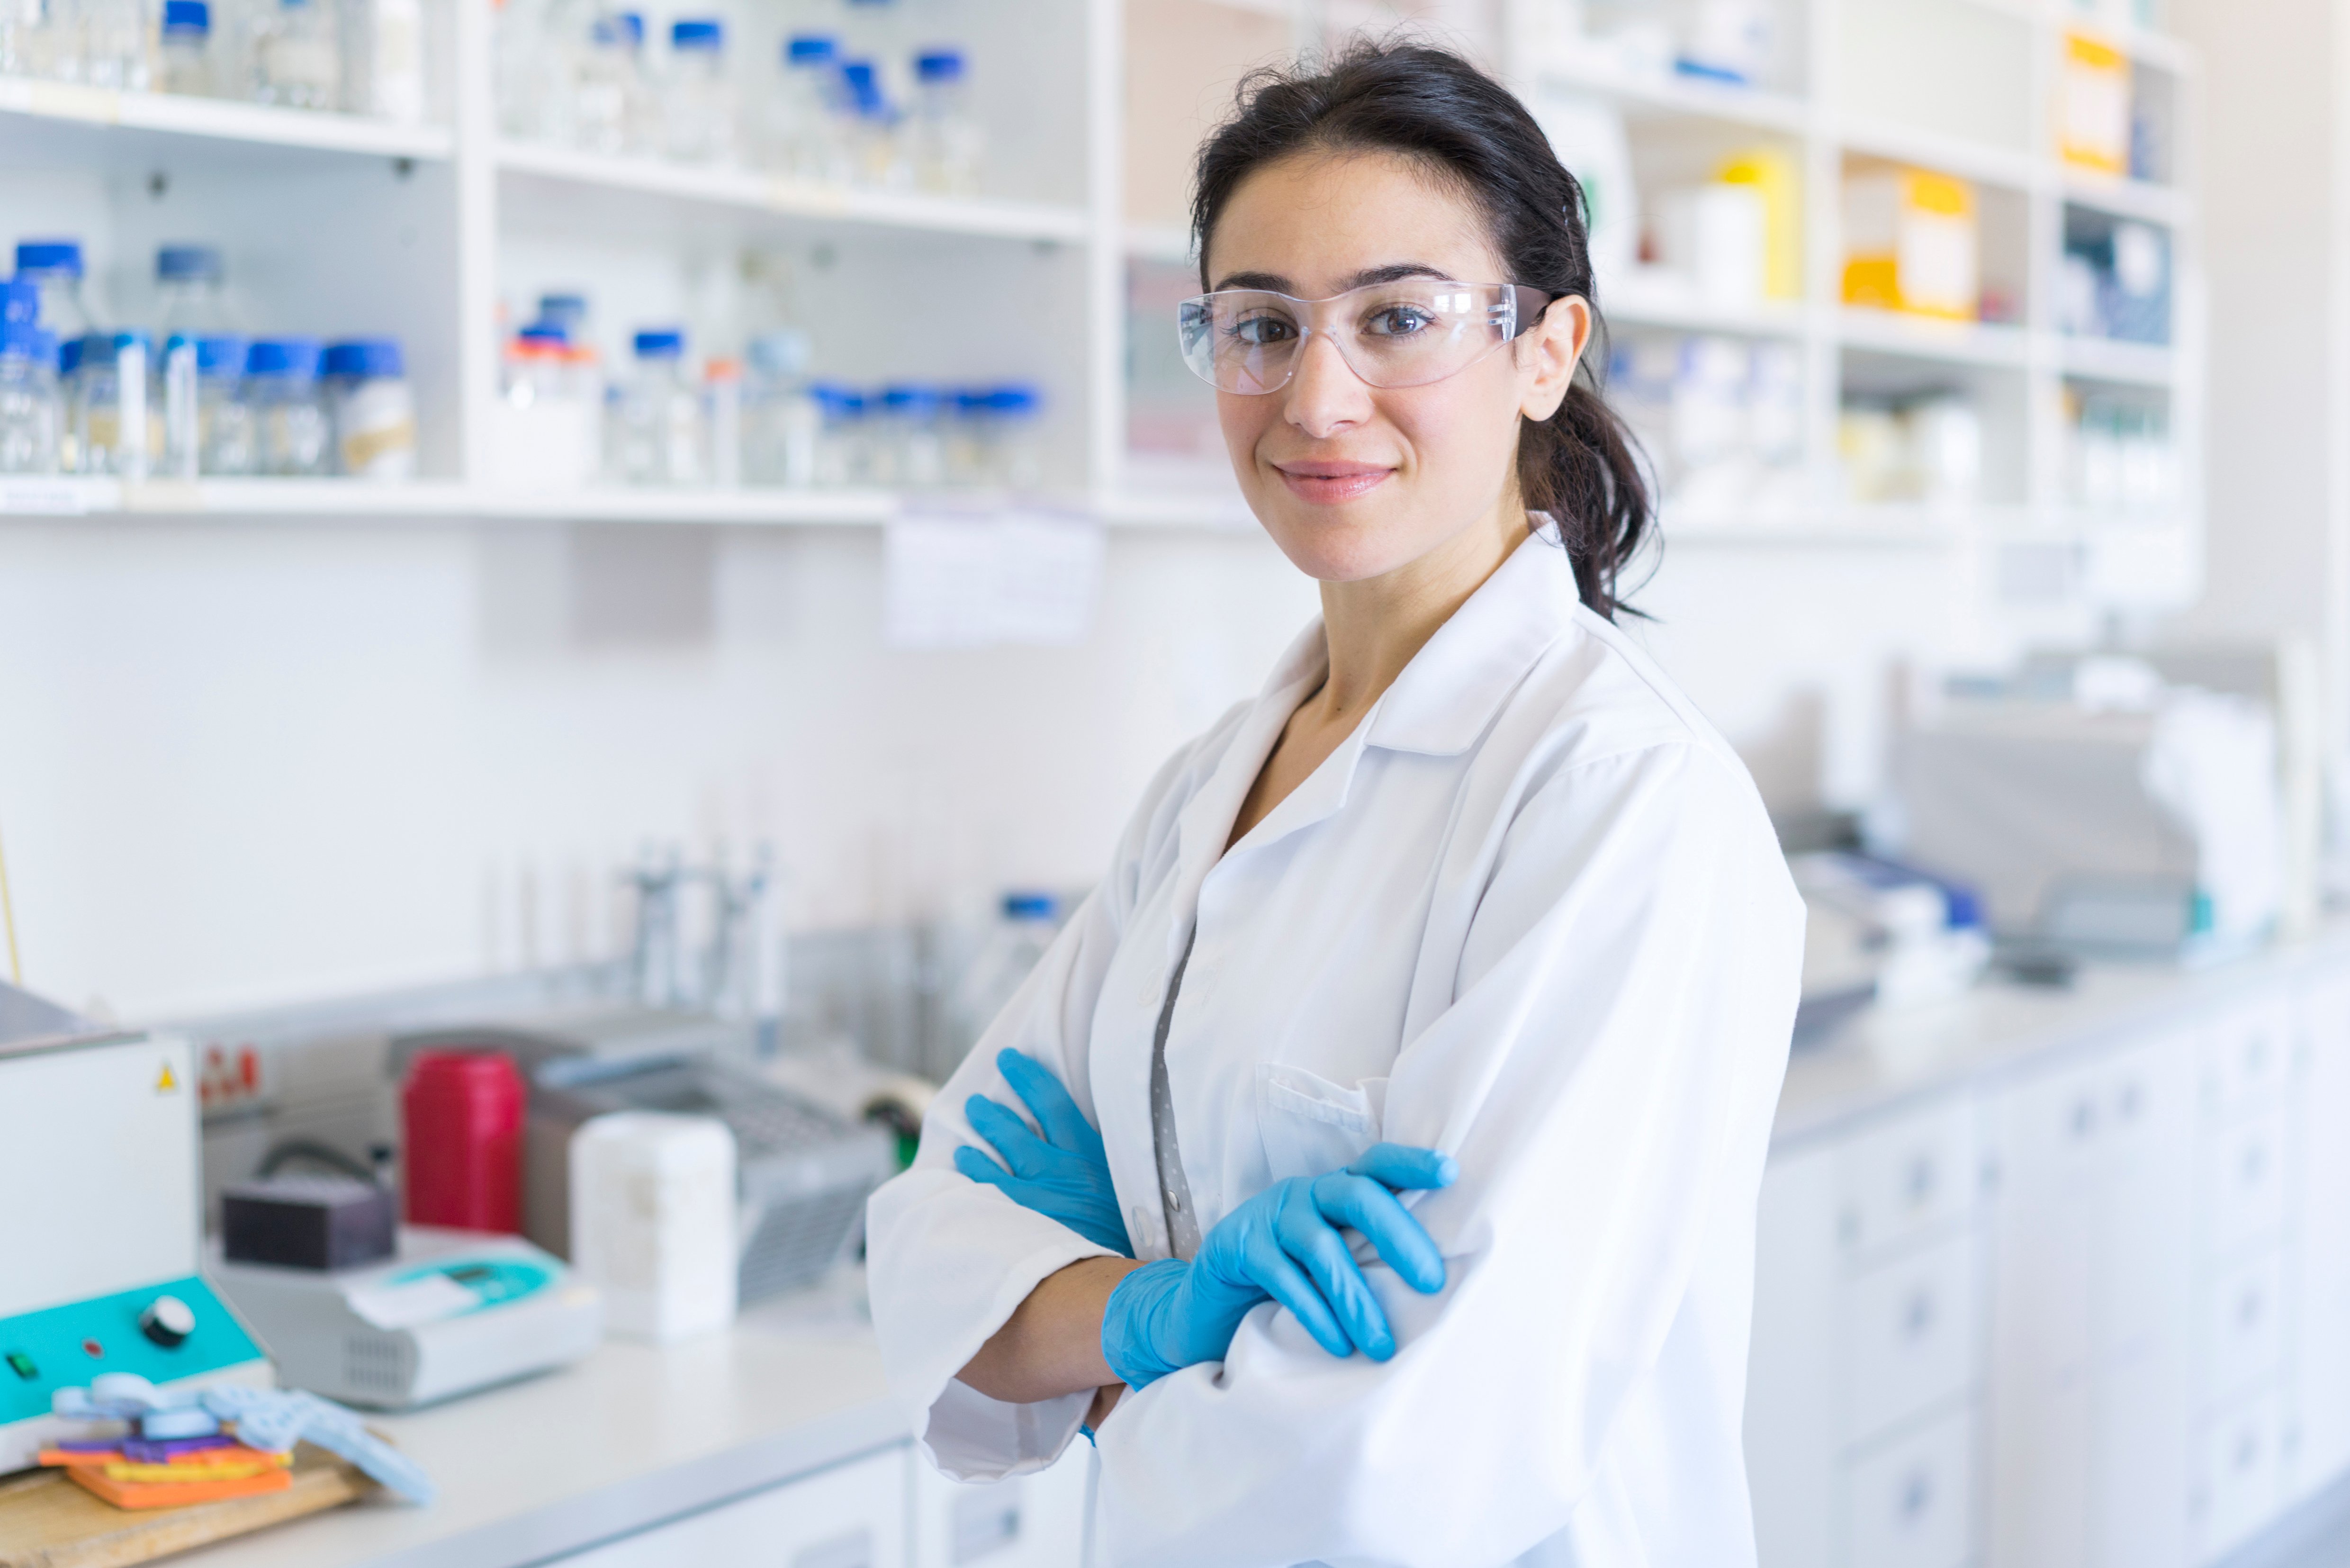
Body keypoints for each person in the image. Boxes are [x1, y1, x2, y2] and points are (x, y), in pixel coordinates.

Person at [866, 40, 1804, 1568]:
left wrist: (1097, 1355)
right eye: (1260, 325)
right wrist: (1163, 1315)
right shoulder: (1208, 790)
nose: (1315, 396)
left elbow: (1405, 1461)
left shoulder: (1625, 807)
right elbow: (921, 1250)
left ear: (1544, 350)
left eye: (1398, 320)